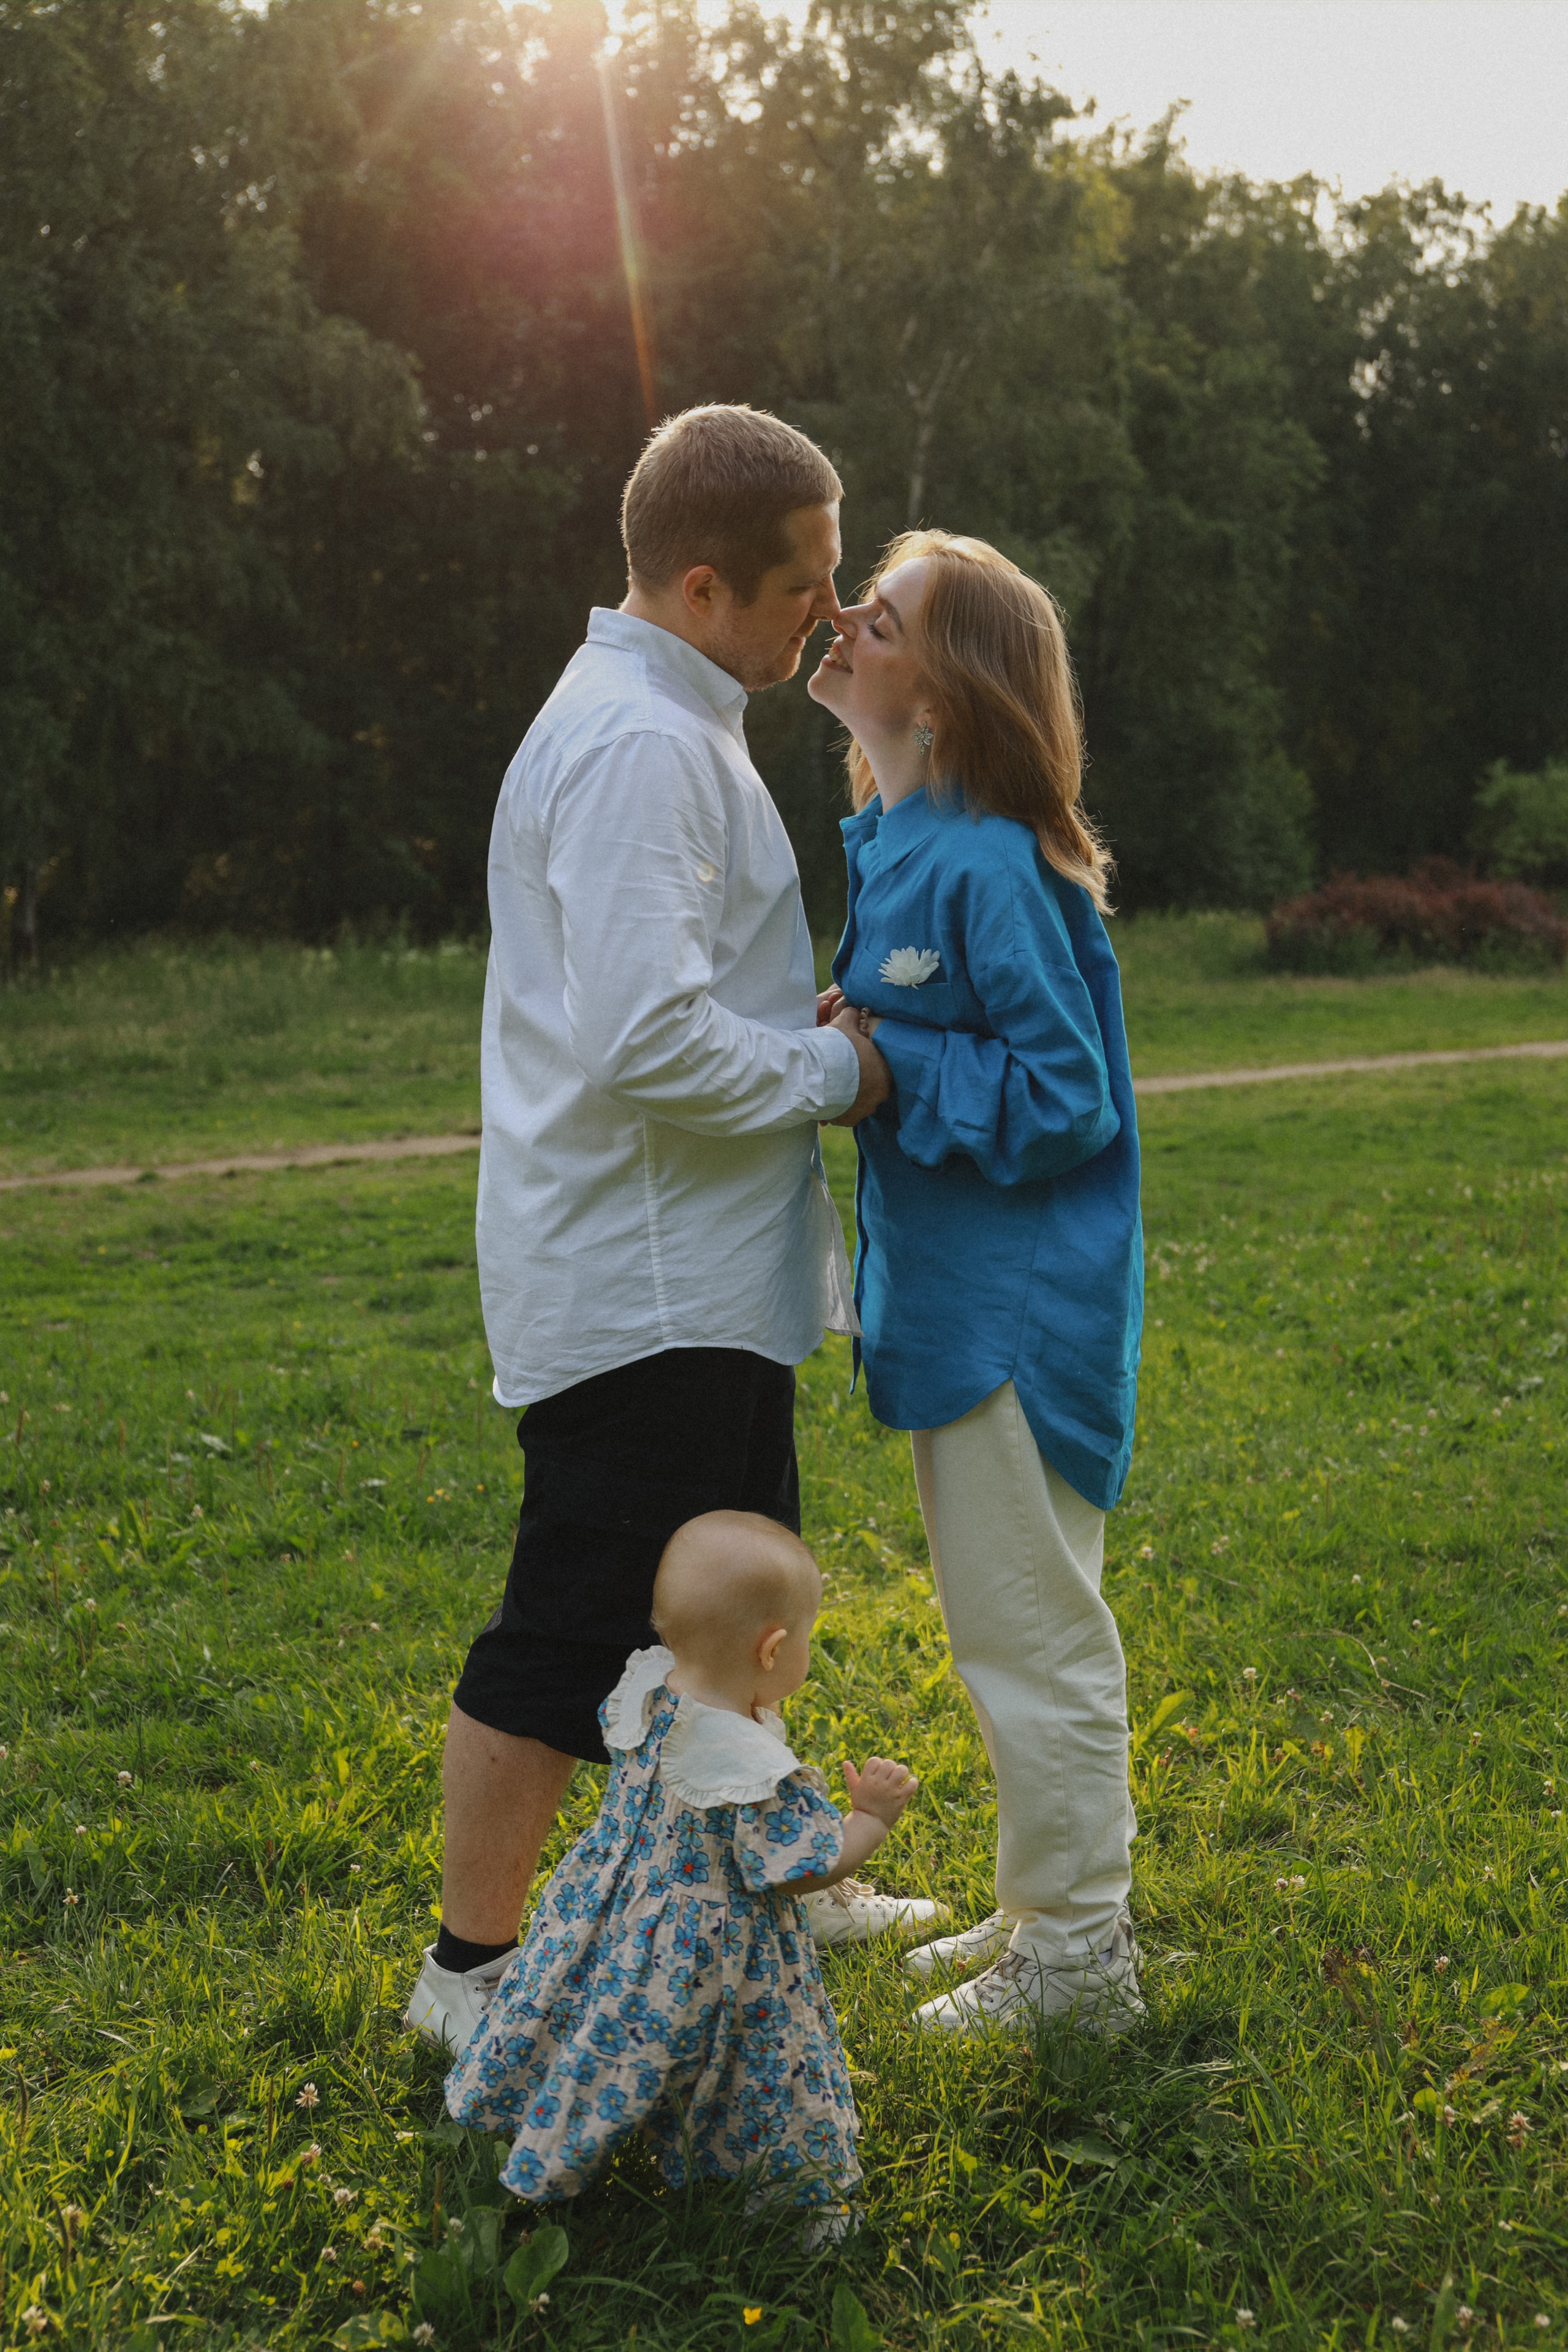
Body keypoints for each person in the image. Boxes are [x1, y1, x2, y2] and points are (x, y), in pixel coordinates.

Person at [405, 407, 940, 2053]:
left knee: (737, 1605)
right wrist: (841, 1073)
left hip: (699, 1279)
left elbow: (677, 999)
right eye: (805, 584)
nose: (830, 614)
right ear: (703, 584)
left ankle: (789, 1880)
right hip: (643, 1290)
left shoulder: (671, 717)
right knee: (569, 1628)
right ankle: (468, 1980)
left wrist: (804, 1021)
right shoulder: (642, 746)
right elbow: (646, 1044)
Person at [807, 529, 1145, 2038]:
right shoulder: (895, 836)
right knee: (999, 1623)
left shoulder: (991, 857)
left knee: (1032, 1632)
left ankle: (1079, 1961)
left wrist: (885, 1065)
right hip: (953, 1304)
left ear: (939, 696)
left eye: (875, 620)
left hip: (1016, 1313)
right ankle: (1037, 1912)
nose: (839, 624)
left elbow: (1064, 1094)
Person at [443, 1510, 919, 2224]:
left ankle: (539, 2131)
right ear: (773, 1648)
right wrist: (869, 1819)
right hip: (718, 1950)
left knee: (590, 2025)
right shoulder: (751, 1768)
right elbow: (804, 1868)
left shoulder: (645, 1693)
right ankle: (793, 2193)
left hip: (612, 1919)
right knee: (764, 2070)